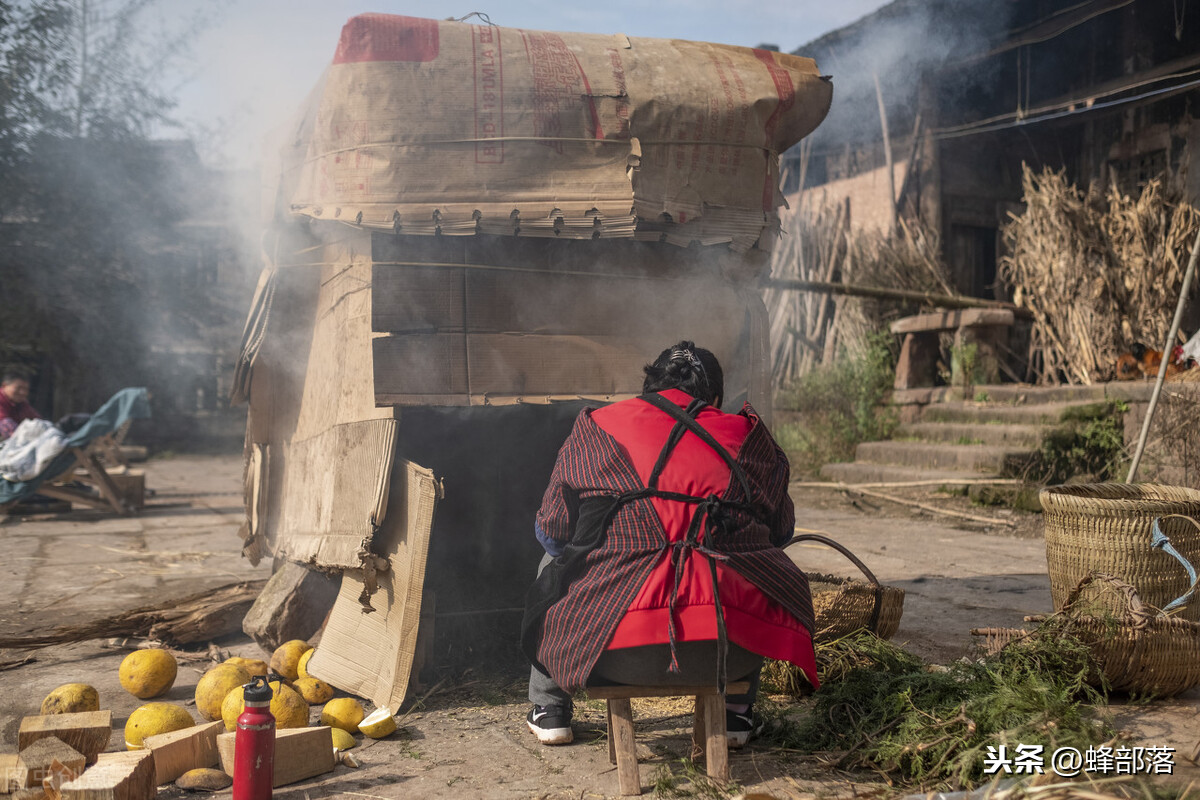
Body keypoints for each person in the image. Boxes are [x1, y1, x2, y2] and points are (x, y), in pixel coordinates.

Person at [521, 341, 818, 747]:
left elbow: (551, 532)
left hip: (609, 654)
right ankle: (735, 716)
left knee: (551, 561)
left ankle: (550, 708)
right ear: (715, 399)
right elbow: (781, 533)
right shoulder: (749, 437)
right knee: (754, 560)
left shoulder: (597, 427)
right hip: (729, 655)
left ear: (647, 389)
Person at [0, 374, 41, 441]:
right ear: (4, 386)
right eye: (18, 388)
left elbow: (37, 420)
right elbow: (8, 428)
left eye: (26, 389)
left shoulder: (22, 403)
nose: (23, 392)